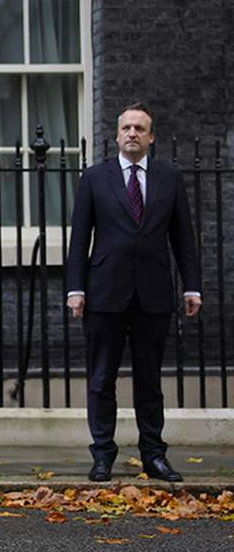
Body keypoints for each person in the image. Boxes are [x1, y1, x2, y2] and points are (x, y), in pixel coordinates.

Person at [65, 102, 201, 483]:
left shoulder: (169, 177)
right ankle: (103, 455)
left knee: (149, 380)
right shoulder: (95, 177)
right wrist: (75, 288)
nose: (132, 134)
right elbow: (79, 239)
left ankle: (154, 456)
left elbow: (183, 238)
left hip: (153, 294)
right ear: (116, 134)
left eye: (140, 128)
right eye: (127, 127)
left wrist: (192, 286)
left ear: (151, 137)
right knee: (101, 377)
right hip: (104, 292)